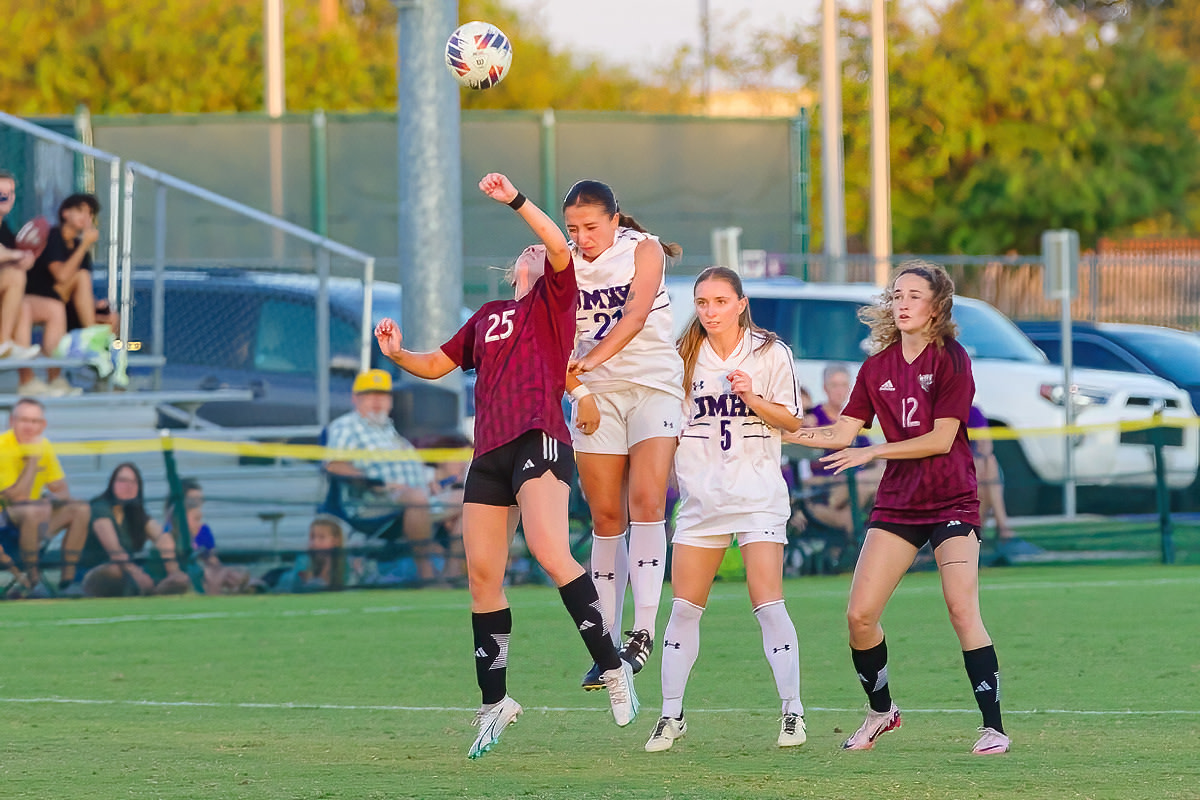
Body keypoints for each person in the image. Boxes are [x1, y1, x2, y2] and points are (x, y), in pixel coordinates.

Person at [375, 172, 638, 759]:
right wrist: (396, 354)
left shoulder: (555, 302)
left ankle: (610, 663)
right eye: (528, 252)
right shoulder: (490, 316)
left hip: (538, 438)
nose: (536, 253)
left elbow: (555, 243)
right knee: (481, 578)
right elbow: (437, 364)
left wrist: (516, 200)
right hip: (489, 452)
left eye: (544, 249)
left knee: (550, 551)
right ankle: (496, 701)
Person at [785, 261, 1010, 755]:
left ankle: (994, 728)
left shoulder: (951, 358)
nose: (902, 303)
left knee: (960, 607)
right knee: (860, 616)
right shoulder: (876, 367)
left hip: (952, 499)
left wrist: (873, 450)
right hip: (900, 503)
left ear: (936, 307)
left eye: (913, 295)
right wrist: (779, 431)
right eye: (897, 295)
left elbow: (941, 438)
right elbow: (843, 433)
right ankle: (881, 713)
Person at [644, 267, 808, 752]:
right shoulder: (681, 356)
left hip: (757, 496)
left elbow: (792, 421)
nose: (711, 311)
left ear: (740, 303)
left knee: (768, 602)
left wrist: (751, 396)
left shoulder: (769, 352)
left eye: (720, 301)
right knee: (684, 609)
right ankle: (670, 714)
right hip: (701, 501)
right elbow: (666, 426)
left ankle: (792, 712)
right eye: (703, 302)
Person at [562, 179, 684, 688]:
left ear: (615, 220)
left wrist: (589, 360)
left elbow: (634, 316)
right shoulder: (560, 261)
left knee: (647, 501)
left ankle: (642, 630)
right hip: (596, 396)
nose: (583, 237)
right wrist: (580, 387)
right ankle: (606, 641)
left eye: (592, 226)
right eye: (573, 228)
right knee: (606, 515)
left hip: (652, 383)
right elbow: (550, 342)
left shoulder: (644, 248)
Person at [325, 369, 442, 584]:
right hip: (373, 501)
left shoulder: (390, 430)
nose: (377, 401)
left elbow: (410, 466)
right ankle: (427, 576)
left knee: (467, 501)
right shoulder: (345, 426)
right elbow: (335, 465)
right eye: (370, 394)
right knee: (416, 499)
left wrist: (432, 478)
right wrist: (376, 482)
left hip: (418, 495)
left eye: (383, 395)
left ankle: (455, 574)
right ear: (355, 399)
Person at [0, 397, 90, 598]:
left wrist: (51, 499)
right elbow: (16, 497)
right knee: (31, 510)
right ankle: (33, 580)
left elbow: (62, 490)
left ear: (43, 425)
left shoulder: (45, 445)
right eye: (24, 420)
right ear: (11, 422)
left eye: (35, 421)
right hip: (5, 526)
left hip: (37, 521)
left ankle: (68, 582)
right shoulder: (2, 446)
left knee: (80, 508)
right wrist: (33, 459)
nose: (29, 426)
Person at [77, 462, 192, 598]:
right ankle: (149, 591)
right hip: (94, 571)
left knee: (180, 578)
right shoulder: (100, 507)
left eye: (133, 482)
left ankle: (157, 590)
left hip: (127, 571)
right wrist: (137, 574)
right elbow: (114, 550)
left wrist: (173, 570)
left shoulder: (135, 513)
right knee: (115, 571)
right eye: (122, 481)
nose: (128, 486)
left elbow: (163, 537)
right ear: (112, 483)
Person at [802, 363, 884, 546]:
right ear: (825, 388)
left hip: (857, 485)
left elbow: (871, 454)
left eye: (844, 385)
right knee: (869, 487)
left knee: (885, 473)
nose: (839, 391)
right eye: (834, 385)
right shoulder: (813, 418)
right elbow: (804, 470)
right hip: (827, 490)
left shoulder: (854, 419)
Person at [165, 478, 257, 594]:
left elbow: (214, 563)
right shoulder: (168, 534)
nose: (198, 510)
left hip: (204, 576)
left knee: (241, 574)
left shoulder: (203, 531)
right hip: (187, 581)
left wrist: (228, 574)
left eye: (200, 502)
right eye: (192, 503)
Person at [0, 170, 44, 361]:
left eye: (10, 192)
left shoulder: (5, 227)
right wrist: (18, 255)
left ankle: (28, 382)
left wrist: (25, 260)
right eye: (1, 192)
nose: (5, 197)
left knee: (38, 307)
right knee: (14, 276)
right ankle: (2, 343)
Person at [271, 514, 347, 593]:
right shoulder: (304, 560)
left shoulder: (345, 565)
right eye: (312, 537)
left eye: (321, 537)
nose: (315, 542)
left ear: (335, 540)